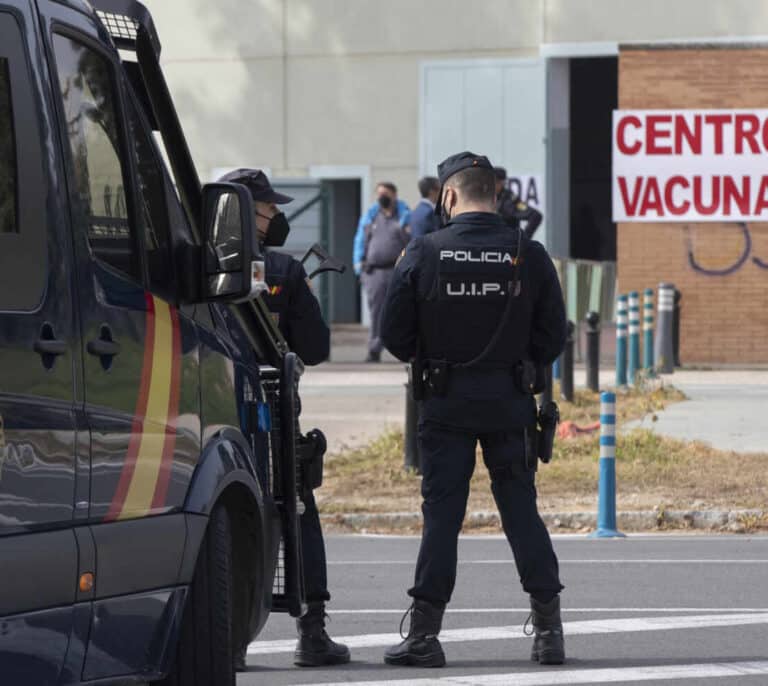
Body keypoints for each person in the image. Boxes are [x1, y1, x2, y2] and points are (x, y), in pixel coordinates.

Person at [380, 152, 566, 668]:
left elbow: (395, 335)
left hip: (444, 403)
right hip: (509, 402)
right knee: (520, 511)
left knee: (442, 517)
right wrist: (520, 365)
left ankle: (425, 635)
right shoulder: (528, 254)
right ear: (494, 194)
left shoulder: (423, 250)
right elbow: (554, 334)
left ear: (450, 196)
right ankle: (549, 631)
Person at [218, 169, 350, 670]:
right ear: (245, 212)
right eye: (268, 208)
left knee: (222, 518)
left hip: (212, 415)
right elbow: (315, 348)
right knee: (298, 514)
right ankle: (311, 631)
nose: (276, 216)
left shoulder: (197, 266)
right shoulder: (283, 271)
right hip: (272, 418)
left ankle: (227, 639)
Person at [354, 182, 410, 362]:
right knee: (376, 312)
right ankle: (374, 349)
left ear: (394, 195)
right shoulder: (370, 217)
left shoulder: (404, 216)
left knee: (402, 312)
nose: (382, 197)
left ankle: (404, 350)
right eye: (379, 194)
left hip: (398, 271)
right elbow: (360, 241)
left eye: (385, 193)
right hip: (374, 272)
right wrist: (359, 266)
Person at [495, 166, 543, 239]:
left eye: (494, 182)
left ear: (501, 183)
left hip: (507, 246)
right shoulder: (490, 198)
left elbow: (535, 216)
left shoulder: (508, 201)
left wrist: (523, 240)